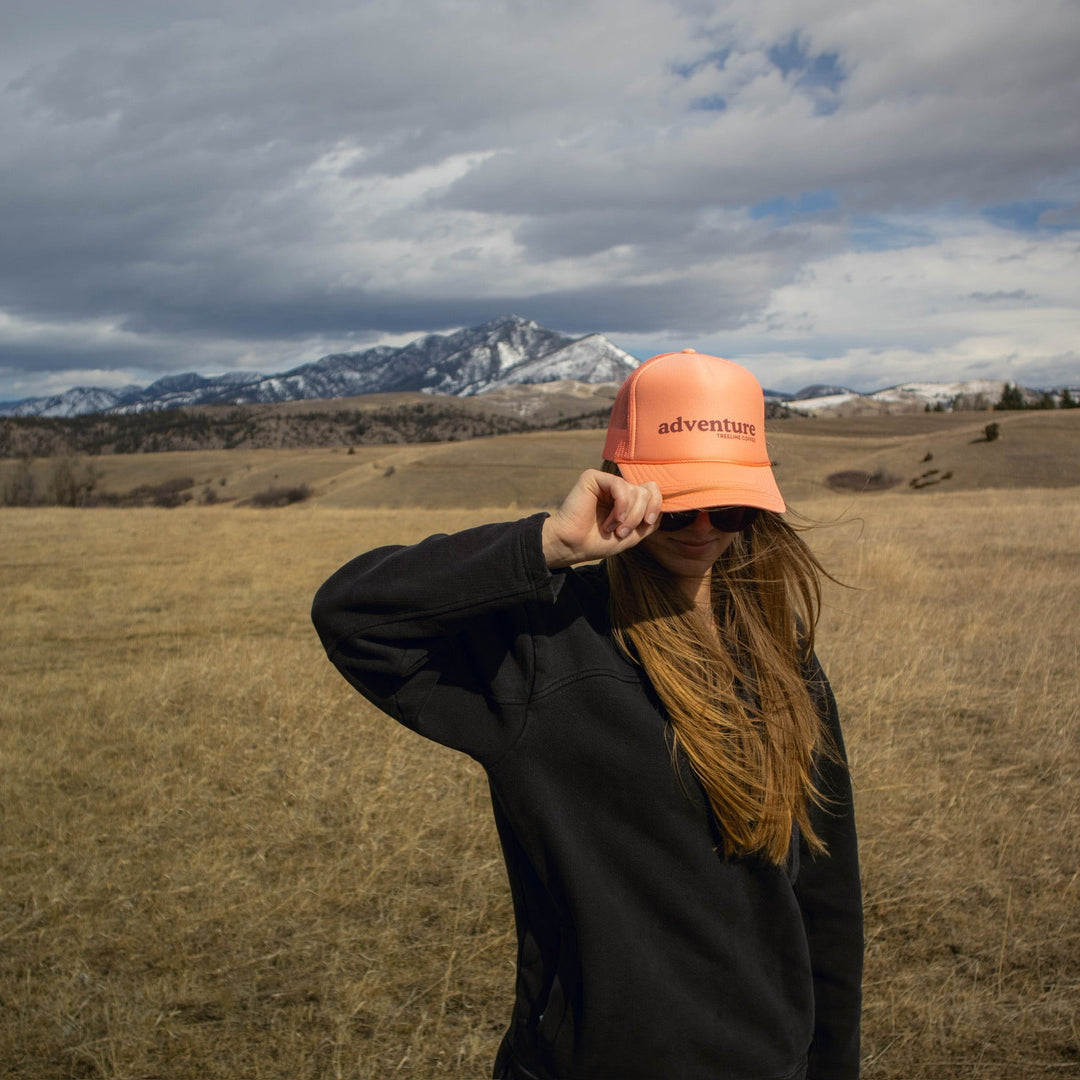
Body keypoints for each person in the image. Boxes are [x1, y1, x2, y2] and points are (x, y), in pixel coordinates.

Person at [311, 349, 863, 1080]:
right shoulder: (545, 648)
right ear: (622, 487)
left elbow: (825, 894)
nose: (702, 530)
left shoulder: (783, 656)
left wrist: (831, 1066)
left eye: (728, 507)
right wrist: (547, 544)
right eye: (675, 505)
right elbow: (352, 618)